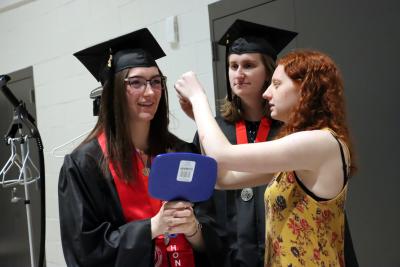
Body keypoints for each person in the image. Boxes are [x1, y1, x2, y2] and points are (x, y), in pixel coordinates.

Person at [175, 49, 356, 266]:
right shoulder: (303, 152)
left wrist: (198, 98)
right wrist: (200, 118)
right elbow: (223, 179)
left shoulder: (319, 143)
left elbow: (222, 155)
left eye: (277, 84)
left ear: (306, 89)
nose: (267, 93)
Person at [58, 28, 220, 267]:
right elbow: (85, 253)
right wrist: (153, 227)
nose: (150, 92)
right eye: (136, 82)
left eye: (156, 81)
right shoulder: (85, 165)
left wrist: (193, 230)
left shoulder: (182, 152)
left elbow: (217, 236)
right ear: (113, 92)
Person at [180, 19, 297, 267]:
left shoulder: (288, 129)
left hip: (284, 254)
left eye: (248, 65)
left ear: (268, 71)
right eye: (233, 66)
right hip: (227, 258)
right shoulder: (215, 131)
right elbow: (204, 201)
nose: (238, 74)